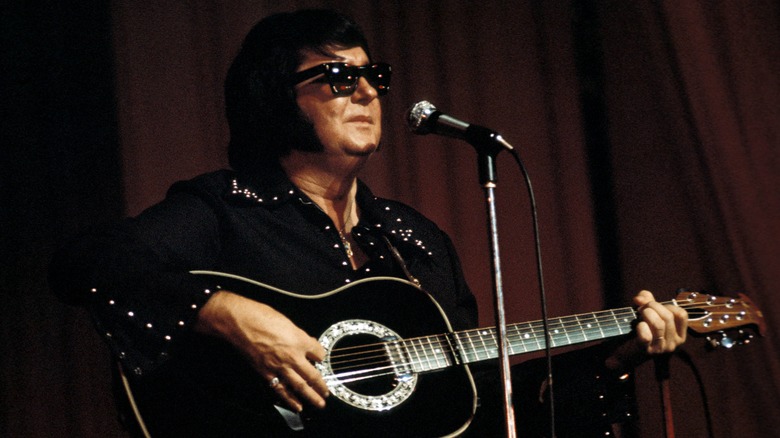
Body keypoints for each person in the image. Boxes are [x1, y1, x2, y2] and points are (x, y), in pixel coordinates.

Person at [50, 9, 688, 437]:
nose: (366, 92)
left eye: (372, 75)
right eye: (336, 77)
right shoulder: (225, 208)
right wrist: (228, 313)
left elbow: (485, 407)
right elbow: (85, 260)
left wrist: (616, 360)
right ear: (273, 98)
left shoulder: (416, 241)